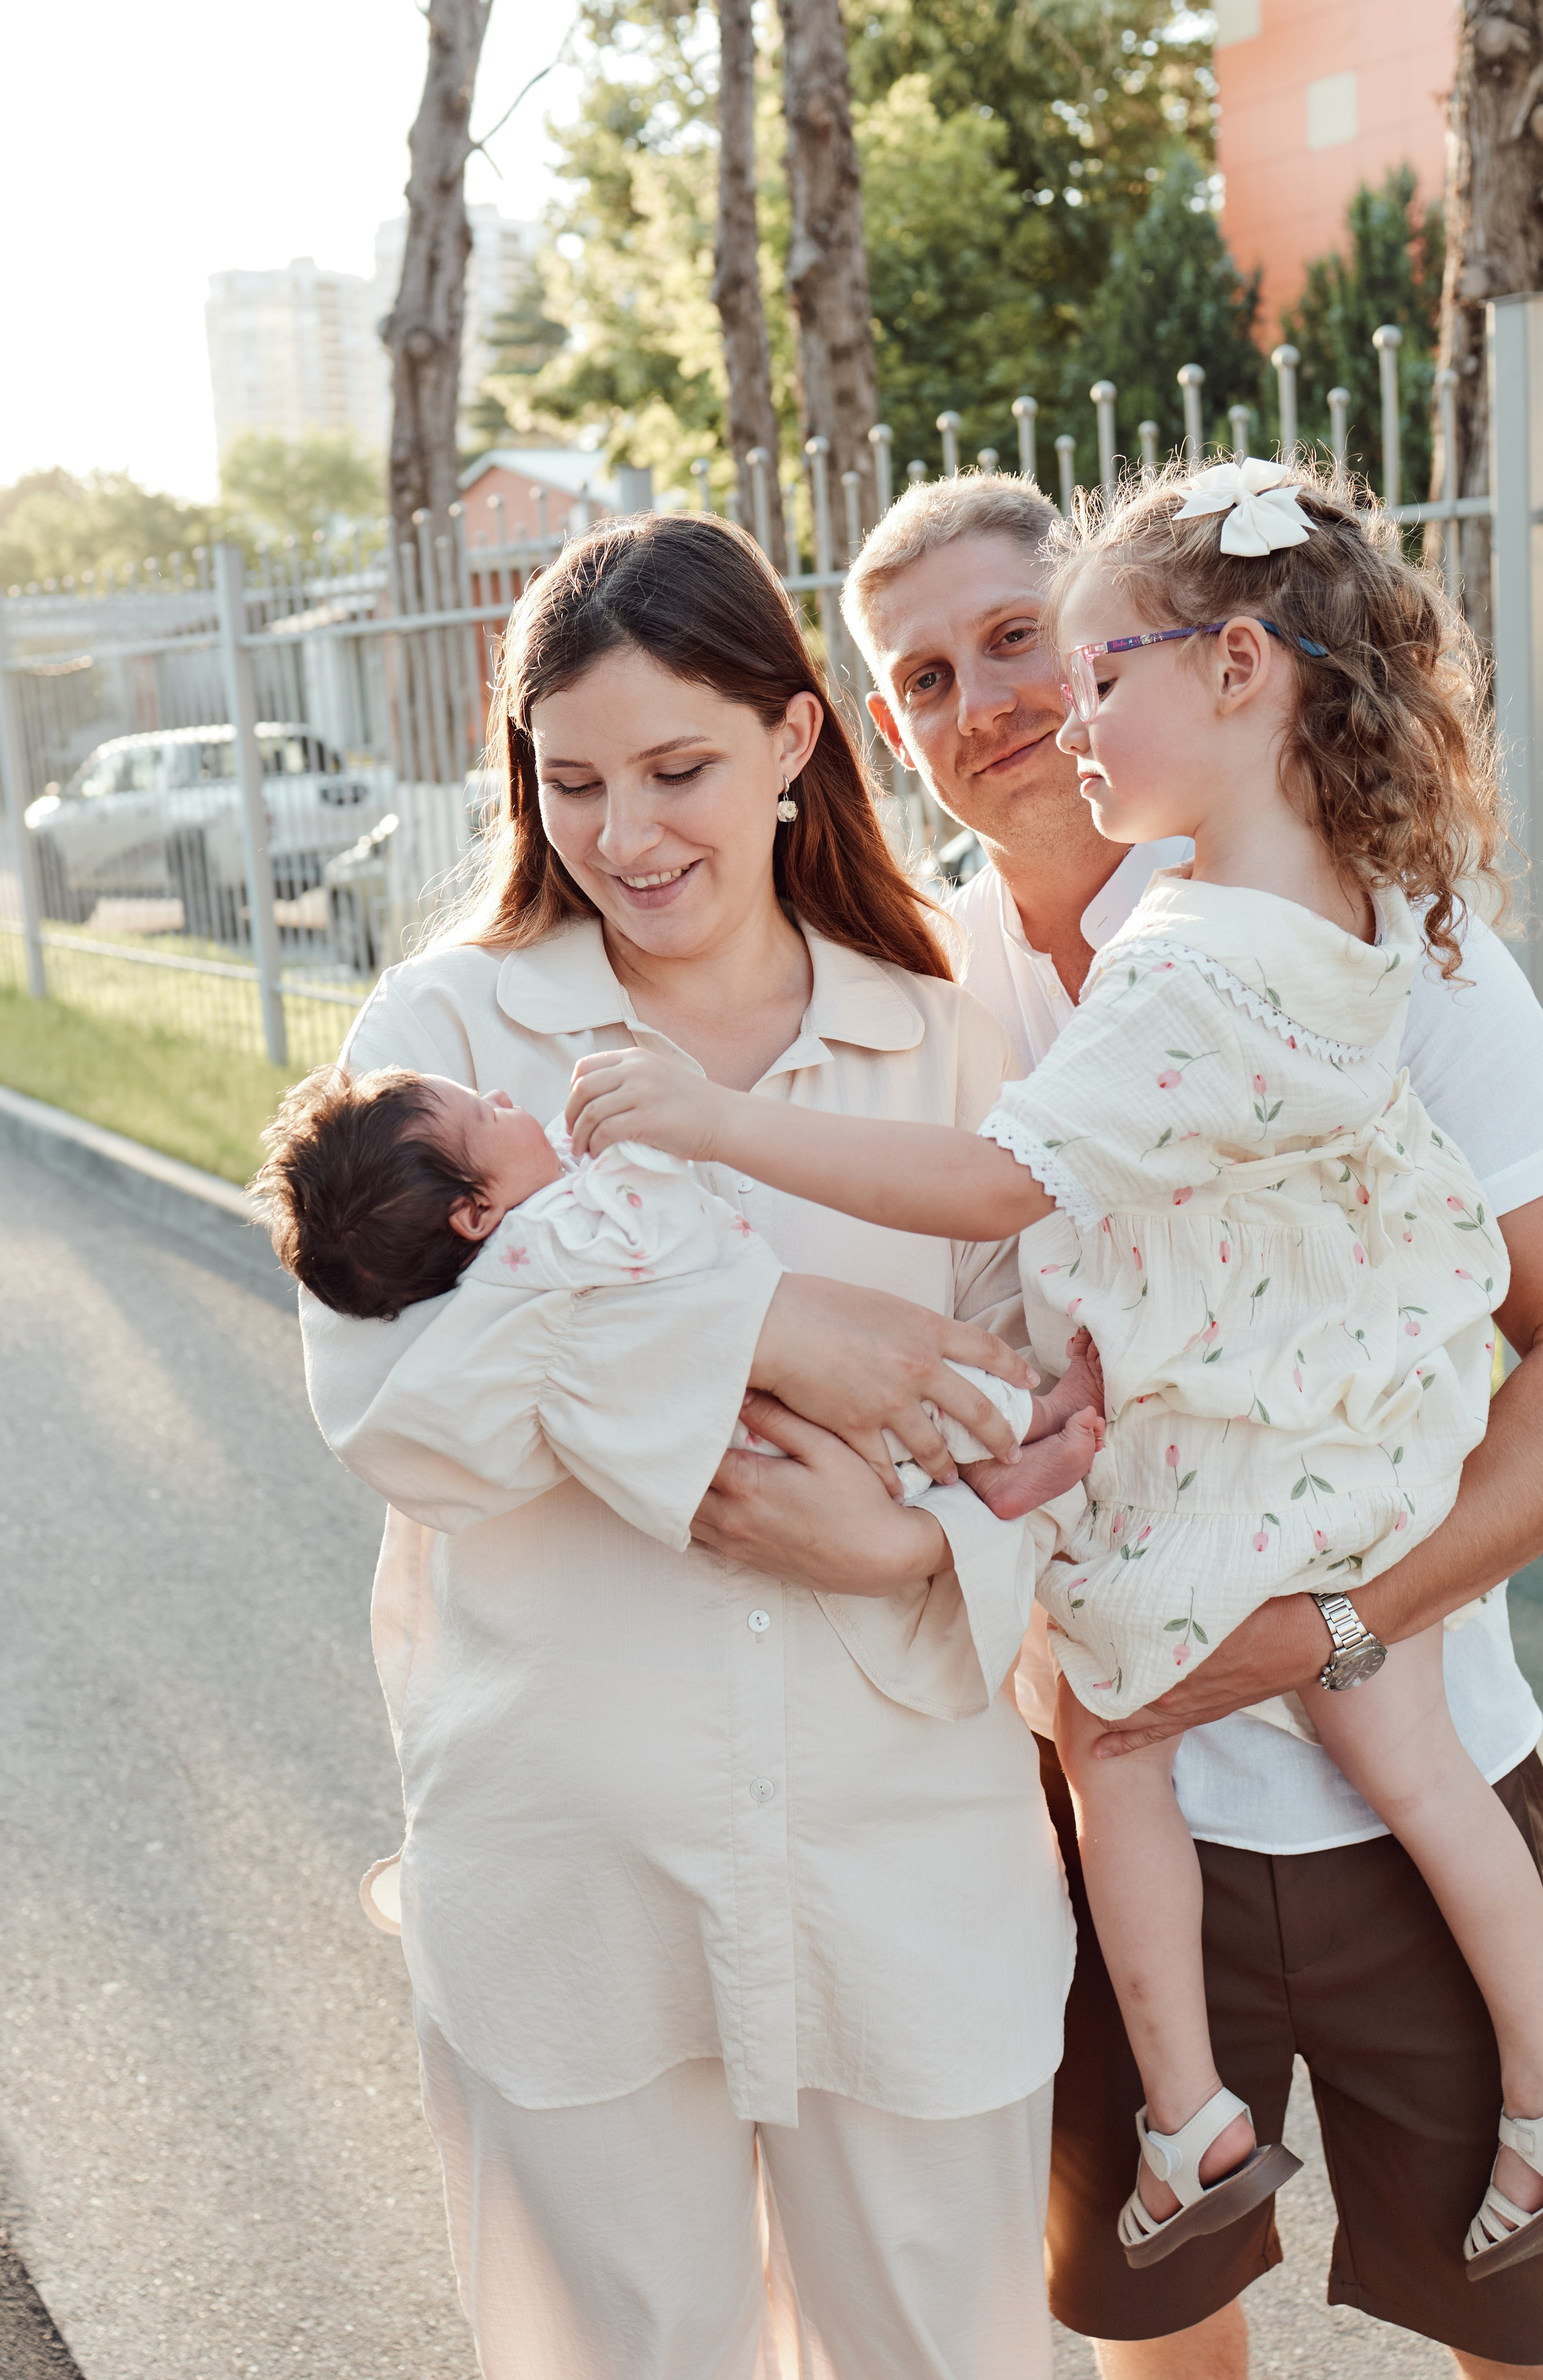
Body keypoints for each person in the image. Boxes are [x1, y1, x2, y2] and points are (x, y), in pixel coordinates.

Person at [566, 453, 1543, 2283]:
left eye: (1037, 642)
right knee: (1159, 2319)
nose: (1008, 702)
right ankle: (1230, 2119)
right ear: (881, 725)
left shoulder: (1372, 935)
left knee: (1513, 2332)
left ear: (1209, 668)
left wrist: (1341, 1628)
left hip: (1387, 1753)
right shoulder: (913, 986)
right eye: (929, 675)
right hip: (1098, 1814)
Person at [295, 509, 1075, 2380]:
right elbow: (408, 1419)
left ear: (798, 745)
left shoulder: (954, 1041)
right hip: (571, 1878)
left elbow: (1074, 1421)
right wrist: (770, 1327)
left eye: (677, 771)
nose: (625, 836)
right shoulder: (446, 1036)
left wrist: (917, 1549)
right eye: (570, 783)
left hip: (907, 1870)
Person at [255, 1059, 1106, 1512]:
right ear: (476, 1215)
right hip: (758, 1422)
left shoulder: (521, 1253)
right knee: (924, 1395)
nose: (507, 1096)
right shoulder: (550, 1240)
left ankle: (996, 1477)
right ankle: (1040, 1422)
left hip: (735, 1423)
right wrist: (640, 1134)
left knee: (901, 1424)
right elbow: (645, 1211)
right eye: (487, 1112)